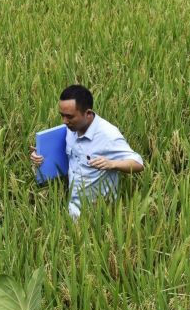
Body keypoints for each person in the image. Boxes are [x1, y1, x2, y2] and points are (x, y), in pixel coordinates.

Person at [30, 85, 144, 219]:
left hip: (98, 214)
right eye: (62, 115)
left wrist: (112, 164)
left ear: (88, 113)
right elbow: (59, 155)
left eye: (69, 117)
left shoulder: (108, 135)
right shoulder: (70, 129)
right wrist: (39, 156)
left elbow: (138, 164)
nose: (64, 121)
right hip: (72, 209)